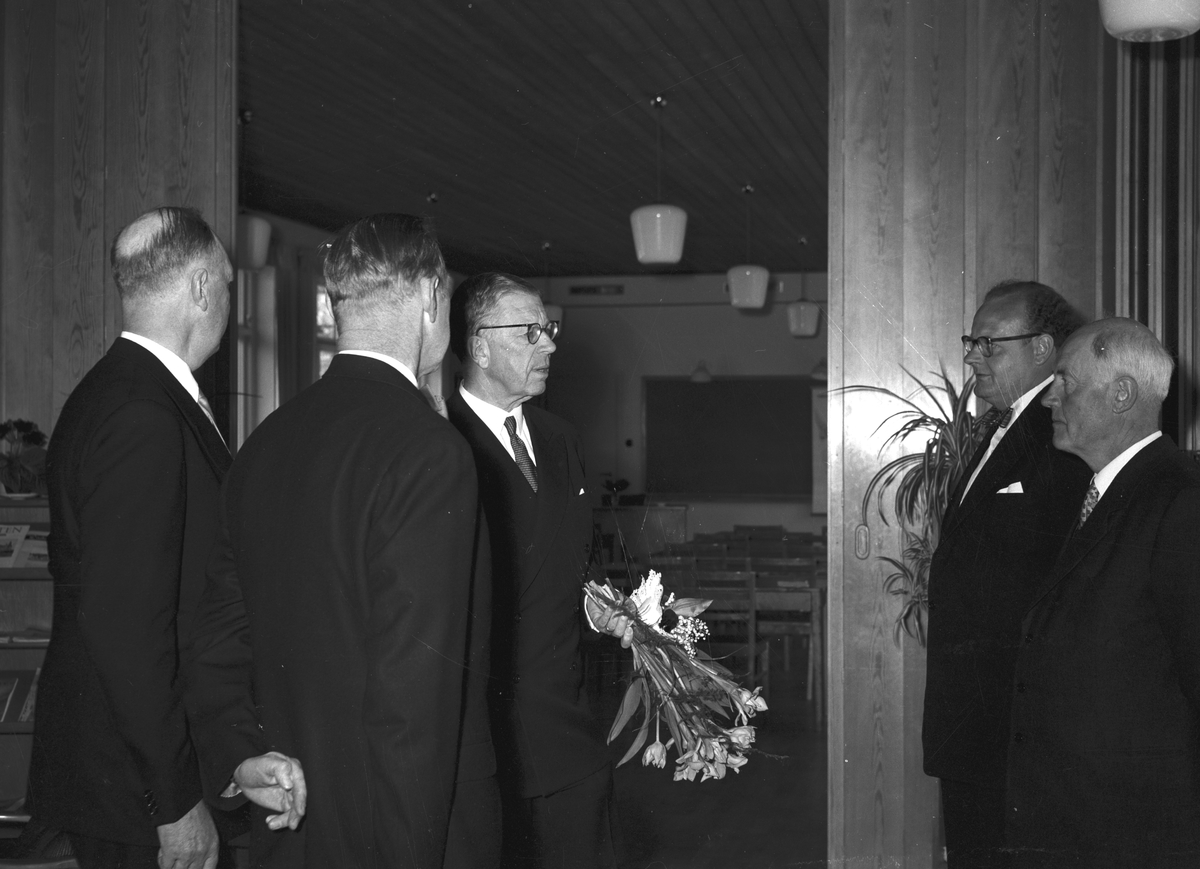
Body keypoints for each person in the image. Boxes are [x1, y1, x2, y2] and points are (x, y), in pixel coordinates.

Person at [192, 213, 493, 868]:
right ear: (430, 295)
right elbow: (412, 702)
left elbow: (217, 638)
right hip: (394, 837)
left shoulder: (262, 445)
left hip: (290, 825)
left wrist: (240, 753)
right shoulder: (430, 451)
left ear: (336, 303)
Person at [27, 207, 305, 869]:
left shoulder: (113, 391)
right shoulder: (142, 413)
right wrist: (174, 803)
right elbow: (127, 628)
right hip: (136, 792)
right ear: (202, 287)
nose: (230, 303)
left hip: (126, 774)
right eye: (228, 285)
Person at [447, 273, 631, 869]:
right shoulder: (441, 443)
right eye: (530, 332)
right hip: (488, 741)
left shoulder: (559, 438)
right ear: (478, 347)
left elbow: (576, 561)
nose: (549, 344)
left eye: (547, 329)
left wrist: (602, 607)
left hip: (570, 729)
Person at [1004, 318, 1200, 866]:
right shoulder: (1100, 489)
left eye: (1064, 380)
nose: (1049, 399)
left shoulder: (1182, 501)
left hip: (1133, 829)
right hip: (1075, 814)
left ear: (1121, 394)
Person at [921, 281, 1091, 867]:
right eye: (971, 342)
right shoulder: (1004, 424)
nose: (973, 357)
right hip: (975, 711)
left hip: (1012, 718)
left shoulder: (1062, 431)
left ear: (1043, 347)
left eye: (989, 344)